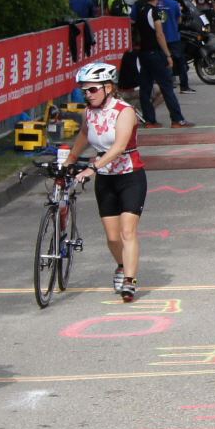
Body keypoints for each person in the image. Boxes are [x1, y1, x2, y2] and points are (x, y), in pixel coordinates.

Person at [70, 61, 147, 302]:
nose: (88, 94)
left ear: (108, 87)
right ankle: (122, 266)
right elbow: (84, 135)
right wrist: (69, 161)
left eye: (93, 89)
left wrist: (92, 167)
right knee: (113, 238)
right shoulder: (88, 112)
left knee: (127, 232)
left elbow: (119, 146)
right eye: (84, 90)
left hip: (130, 175)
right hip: (106, 180)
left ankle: (130, 281)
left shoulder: (124, 111)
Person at [133, 0, 190, 129]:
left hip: (143, 53)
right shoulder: (154, 12)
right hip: (155, 53)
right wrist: (168, 54)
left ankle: (149, 120)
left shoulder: (140, 10)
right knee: (167, 87)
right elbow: (159, 34)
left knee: (145, 89)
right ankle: (177, 119)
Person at [158, 0, 190, 93]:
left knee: (162, 62)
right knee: (180, 62)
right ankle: (184, 86)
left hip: (159, 38)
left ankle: (166, 84)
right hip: (173, 37)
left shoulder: (154, 4)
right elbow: (179, 20)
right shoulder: (174, 4)